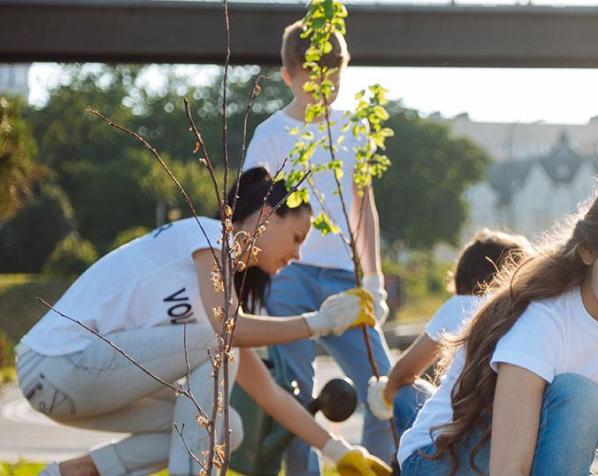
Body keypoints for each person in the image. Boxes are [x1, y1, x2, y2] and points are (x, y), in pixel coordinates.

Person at [18, 167, 389, 475]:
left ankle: (74, 473)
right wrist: (320, 322)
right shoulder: (208, 235)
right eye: (296, 237)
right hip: (55, 365)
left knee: (226, 428)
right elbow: (228, 330)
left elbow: (268, 393)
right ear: (265, 216)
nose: (297, 255)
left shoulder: (217, 295)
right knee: (218, 343)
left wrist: (339, 452)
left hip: (80, 383)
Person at [395, 164, 598, 474]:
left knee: (577, 396)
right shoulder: (543, 320)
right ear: (589, 249)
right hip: (440, 461)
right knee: (578, 394)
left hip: (510, 459)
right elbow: (509, 469)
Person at [241, 18, 393, 471]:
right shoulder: (270, 135)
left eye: (335, 80)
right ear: (289, 75)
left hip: (347, 278)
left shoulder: (354, 130)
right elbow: (251, 214)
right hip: (288, 278)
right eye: (313, 81)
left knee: (384, 387)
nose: (324, 91)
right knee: (298, 401)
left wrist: (373, 280)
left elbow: (364, 208)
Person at [364, 229, 532, 450]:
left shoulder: (461, 305)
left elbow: (404, 372)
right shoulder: (529, 311)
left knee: (405, 392)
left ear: (464, 278)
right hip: (512, 436)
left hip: (456, 438)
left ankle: (397, 464)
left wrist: (383, 396)